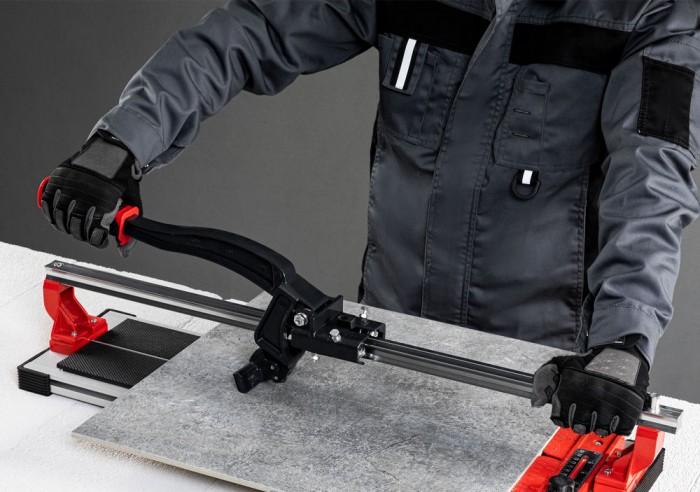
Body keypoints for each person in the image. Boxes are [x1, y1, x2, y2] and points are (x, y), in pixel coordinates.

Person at [39, 0, 700, 436]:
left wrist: (623, 344)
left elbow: (652, 178)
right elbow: (251, 31)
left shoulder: (656, 14)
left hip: (540, 382)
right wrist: (119, 144)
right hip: (384, 345)